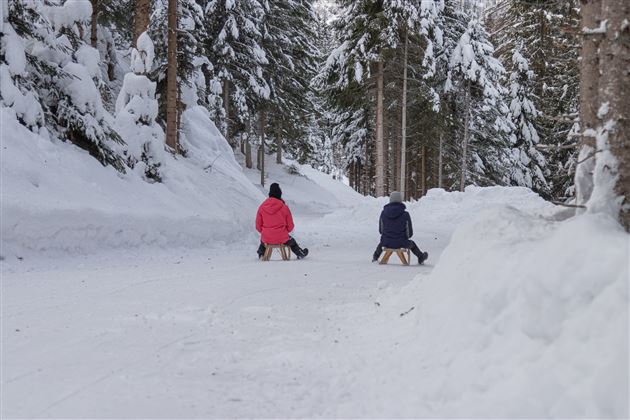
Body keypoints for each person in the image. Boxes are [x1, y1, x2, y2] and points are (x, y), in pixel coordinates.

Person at [373, 191, 428, 264]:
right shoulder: (405, 214)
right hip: (401, 242)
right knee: (412, 244)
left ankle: (375, 257)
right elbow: (410, 234)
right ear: (400, 200)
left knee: (382, 242)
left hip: (386, 242)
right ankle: (420, 257)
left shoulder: (383, 213)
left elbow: (381, 231)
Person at [256, 183, 309, 259]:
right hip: (282, 237)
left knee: (263, 240)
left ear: (270, 194)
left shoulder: (262, 207)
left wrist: (266, 231)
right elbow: (290, 226)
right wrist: (283, 231)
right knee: (292, 242)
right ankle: (300, 253)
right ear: (279, 194)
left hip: (266, 237)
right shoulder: (284, 207)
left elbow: (258, 226)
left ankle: (261, 253)